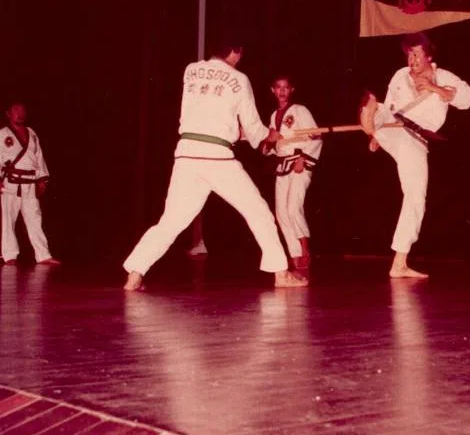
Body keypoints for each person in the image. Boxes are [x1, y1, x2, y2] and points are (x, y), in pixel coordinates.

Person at [122, 35, 306, 290]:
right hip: (218, 158)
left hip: (187, 155)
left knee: (171, 220)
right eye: (240, 52)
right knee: (260, 212)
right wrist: (269, 135)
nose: (240, 58)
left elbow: (209, 113)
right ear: (235, 50)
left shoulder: (191, 70)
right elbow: (254, 129)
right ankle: (280, 272)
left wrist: (235, 132)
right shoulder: (240, 80)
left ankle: (135, 271)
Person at [367, 32, 470, 278]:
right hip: (393, 127)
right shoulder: (399, 76)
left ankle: (399, 263)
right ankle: (369, 118)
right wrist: (376, 135)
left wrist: (435, 88)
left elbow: (468, 98)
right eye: (408, 54)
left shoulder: (443, 76)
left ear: (428, 55)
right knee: (381, 109)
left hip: (416, 139)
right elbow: (390, 103)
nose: (411, 59)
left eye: (416, 54)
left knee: (415, 197)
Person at [266, 74, 322, 277]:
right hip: (283, 165)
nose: (282, 91)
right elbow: (274, 146)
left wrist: (303, 157)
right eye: (278, 87)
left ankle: (304, 250)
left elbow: (316, 135)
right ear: (272, 90)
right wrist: (269, 145)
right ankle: (294, 253)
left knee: (293, 207)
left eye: (285, 87)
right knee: (281, 212)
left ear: (291, 90)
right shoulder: (273, 116)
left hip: (300, 162)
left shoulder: (300, 111)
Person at [0, 102, 61, 266]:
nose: (20, 114)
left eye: (22, 110)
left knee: (35, 219)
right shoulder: (2, 134)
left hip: (30, 183)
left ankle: (43, 255)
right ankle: (9, 254)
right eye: (15, 111)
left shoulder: (32, 133)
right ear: (8, 114)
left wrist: (42, 179)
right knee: (7, 219)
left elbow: (38, 157)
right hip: (10, 184)